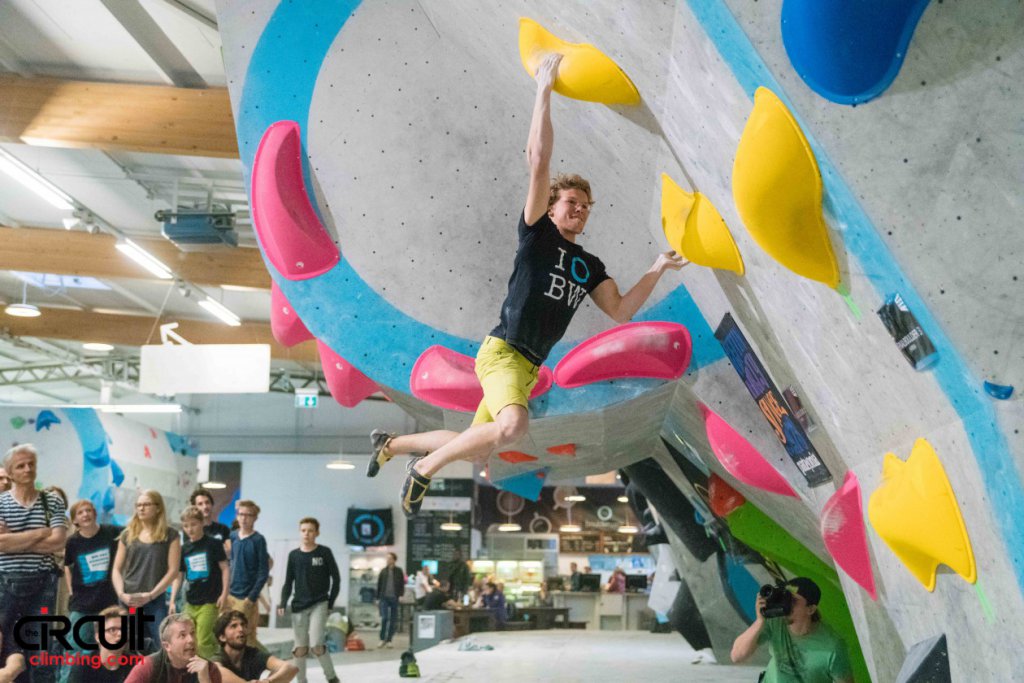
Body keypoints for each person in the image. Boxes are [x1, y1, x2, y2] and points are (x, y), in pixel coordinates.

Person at [366, 53, 686, 516]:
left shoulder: (590, 265)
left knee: (477, 447)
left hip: (529, 365)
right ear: (553, 207)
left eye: (585, 205)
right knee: (512, 427)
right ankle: (423, 469)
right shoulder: (537, 232)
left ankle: (391, 444)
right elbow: (539, 161)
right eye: (571, 202)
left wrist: (656, 266)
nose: (578, 210)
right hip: (503, 353)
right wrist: (544, 88)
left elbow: (620, 311)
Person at [0, 444, 68, 683]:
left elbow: (58, 542)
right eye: (21, 465)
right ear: (9, 472)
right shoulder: (1, 503)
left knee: (41, 650)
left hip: (43, 585)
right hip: (5, 584)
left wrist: (13, 539)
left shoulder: (52, 502)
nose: (28, 469)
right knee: (4, 647)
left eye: (31, 464)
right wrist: (40, 533)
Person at [731, 578, 853, 683]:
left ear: (810, 609)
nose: (786, 604)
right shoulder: (776, 622)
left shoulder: (832, 647)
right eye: (785, 598)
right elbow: (737, 656)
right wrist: (759, 621)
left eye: (793, 601)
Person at [61, 499, 123, 683]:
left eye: (88, 510)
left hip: (108, 604)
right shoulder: (72, 542)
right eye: (80, 513)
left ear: (95, 513)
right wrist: (71, 589)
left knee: (112, 648)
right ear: (75, 521)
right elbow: (67, 566)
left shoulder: (111, 533)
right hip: (82, 605)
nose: (85, 514)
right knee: (73, 650)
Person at [112, 490, 180, 654]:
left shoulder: (170, 535)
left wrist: (151, 595)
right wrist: (121, 594)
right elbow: (116, 569)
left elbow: (173, 571)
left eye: (146, 504)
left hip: (154, 599)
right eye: (138, 505)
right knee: (128, 645)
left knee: (163, 644)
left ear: (157, 508)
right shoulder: (128, 534)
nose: (141, 508)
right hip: (129, 599)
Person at [277, 518, 340, 683]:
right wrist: (283, 602)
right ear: (300, 532)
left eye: (310, 530)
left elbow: (337, 579)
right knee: (300, 649)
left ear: (316, 533)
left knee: (317, 644)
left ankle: (332, 678)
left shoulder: (324, 553)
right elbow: (288, 582)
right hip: (299, 606)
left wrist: (331, 603)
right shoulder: (294, 555)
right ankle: (301, 681)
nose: (306, 534)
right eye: (303, 530)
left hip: (319, 603)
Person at [169, 507, 229, 660]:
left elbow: (225, 568)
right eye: (186, 526)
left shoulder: (213, 544)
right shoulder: (184, 549)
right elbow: (179, 576)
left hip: (210, 601)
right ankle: (217, 652)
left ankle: (210, 666)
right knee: (191, 639)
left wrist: (224, 593)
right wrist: (172, 600)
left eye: (194, 524)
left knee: (201, 641)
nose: (190, 529)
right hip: (190, 601)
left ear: (202, 523)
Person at [124, 614, 220, 683]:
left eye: (192, 633)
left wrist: (205, 680)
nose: (191, 640)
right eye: (182, 635)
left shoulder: (208, 669)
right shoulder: (148, 666)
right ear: (167, 646)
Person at [226, 501, 268, 649]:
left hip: (246, 597)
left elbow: (263, 571)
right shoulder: (232, 537)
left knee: (247, 639)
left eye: (248, 515)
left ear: (255, 518)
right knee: (227, 637)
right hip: (230, 596)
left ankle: (270, 663)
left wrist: (251, 597)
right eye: (241, 514)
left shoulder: (258, 540)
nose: (244, 518)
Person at [210, 612, 296, 683]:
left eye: (243, 625)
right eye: (233, 626)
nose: (241, 629)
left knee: (278, 673)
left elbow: (290, 668)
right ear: (222, 637)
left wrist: (268, 681)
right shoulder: (218, 657)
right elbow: (218, 672)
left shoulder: (253, 654)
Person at [66, 607, 133, 682]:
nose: (120, 634)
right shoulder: (83, 666)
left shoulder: (135, 666)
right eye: (112, 630)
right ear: (98, 637)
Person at [376, 552, 405, 649]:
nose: (387, 560)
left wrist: (401, 595)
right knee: (384, 618)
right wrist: (377, 598)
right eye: (387, 558)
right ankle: (381, 639)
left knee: (393, 619)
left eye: (389, 558)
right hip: (384, 597)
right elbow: (379, 585)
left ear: (394, 560)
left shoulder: (399, 571)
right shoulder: (383, 571)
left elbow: (401, 584)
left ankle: (389, 640)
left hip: (394, 597)